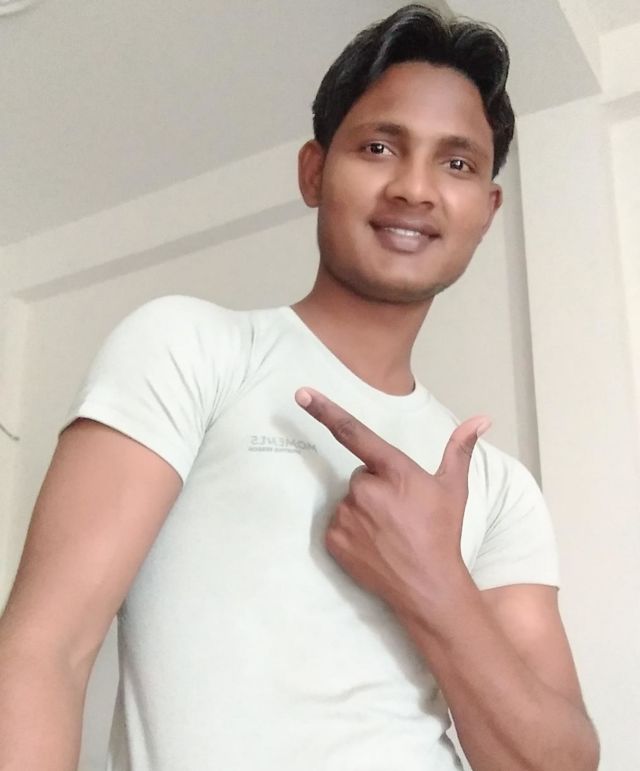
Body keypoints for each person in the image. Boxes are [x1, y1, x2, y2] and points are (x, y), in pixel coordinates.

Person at [0, 4, 600, 770]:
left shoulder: (498, 486)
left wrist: (435, 582)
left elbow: (559, 761)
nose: (415, 188)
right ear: (314, 172)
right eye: (380, 146)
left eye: (457, 164)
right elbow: (44, 651)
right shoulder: (191, 347)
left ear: (486, 211)